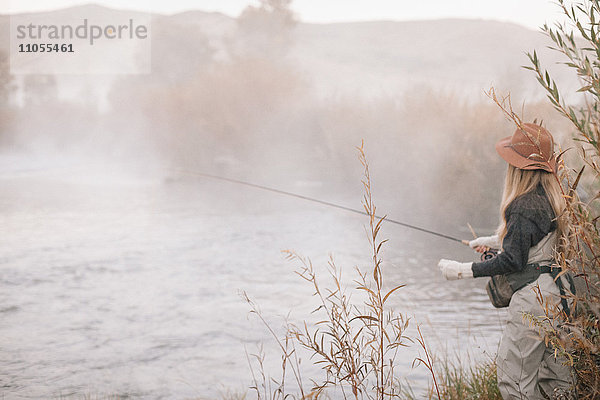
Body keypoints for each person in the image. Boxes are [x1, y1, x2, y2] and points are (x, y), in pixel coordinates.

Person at [437, 123, 575, 400]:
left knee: (515, 382)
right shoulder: (554, 196)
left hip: (534, 302)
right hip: (562, 294)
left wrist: (463, 271)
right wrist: (492, 240)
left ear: (517, 166)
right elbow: (533, 239)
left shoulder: (522, 204)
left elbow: (513, 260)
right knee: (557, 383)